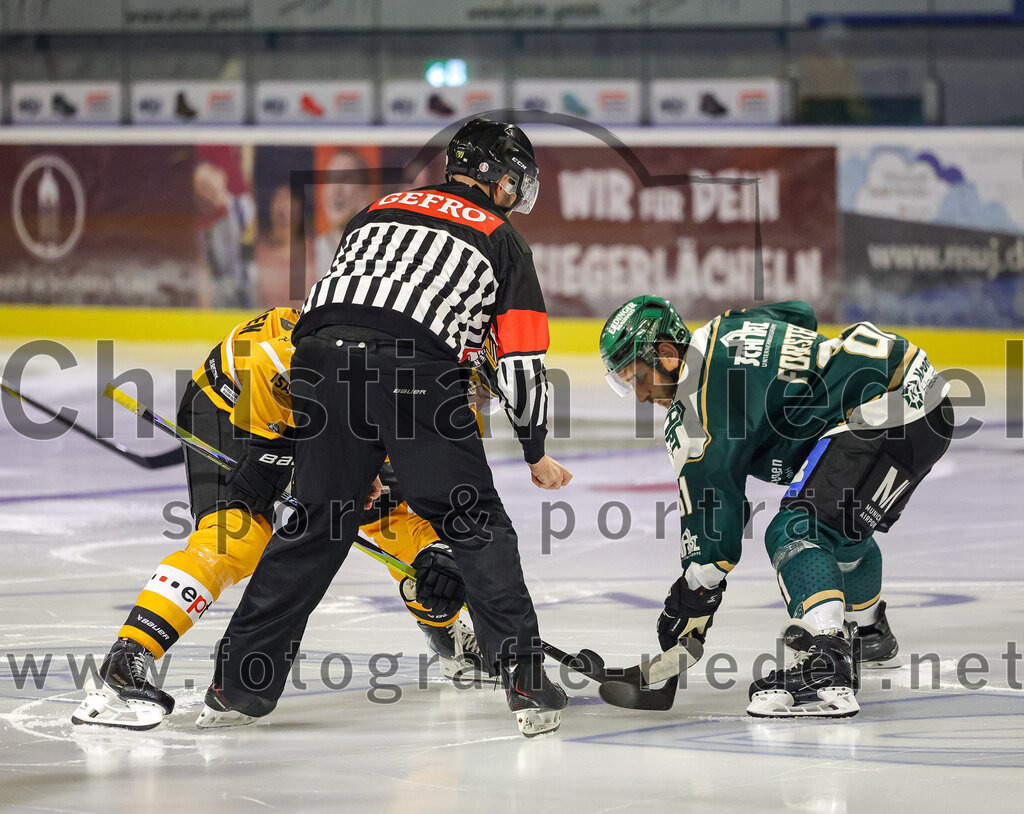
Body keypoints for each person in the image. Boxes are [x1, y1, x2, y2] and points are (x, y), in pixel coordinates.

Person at [199, 119, 573, 738]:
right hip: (413, 366)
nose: (515, 193)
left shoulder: (379, 208)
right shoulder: (502, 239)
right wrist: (535, 451)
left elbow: (349, 307)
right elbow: (520, 362)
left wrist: (358, 458)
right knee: (474, 521)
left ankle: (236, 687)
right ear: (496, 179)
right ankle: (526, 680)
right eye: (514, 180)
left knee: (318, 522)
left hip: (316, 358)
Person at [72, 307, 484, 731]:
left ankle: (445, 633)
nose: (474, 399)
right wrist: (280, 456)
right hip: (234, 403)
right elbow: (268, 367)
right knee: (236, 537)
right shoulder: (355, 346)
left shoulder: (435, 381)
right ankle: (126, 659)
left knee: (398, 521)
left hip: (315, 407)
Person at [599, 296, 954, 718]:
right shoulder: (725, 325)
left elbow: (716, 534)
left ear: (667, 354)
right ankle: (871, 633)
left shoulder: (697, 414)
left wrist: (692, 597)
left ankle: (827, 663)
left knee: (797, 531)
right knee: (840, 531)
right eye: (627, 384)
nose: (640, 395)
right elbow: (799, 313)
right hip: (926, 397)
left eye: (638, 377)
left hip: (883, 411)